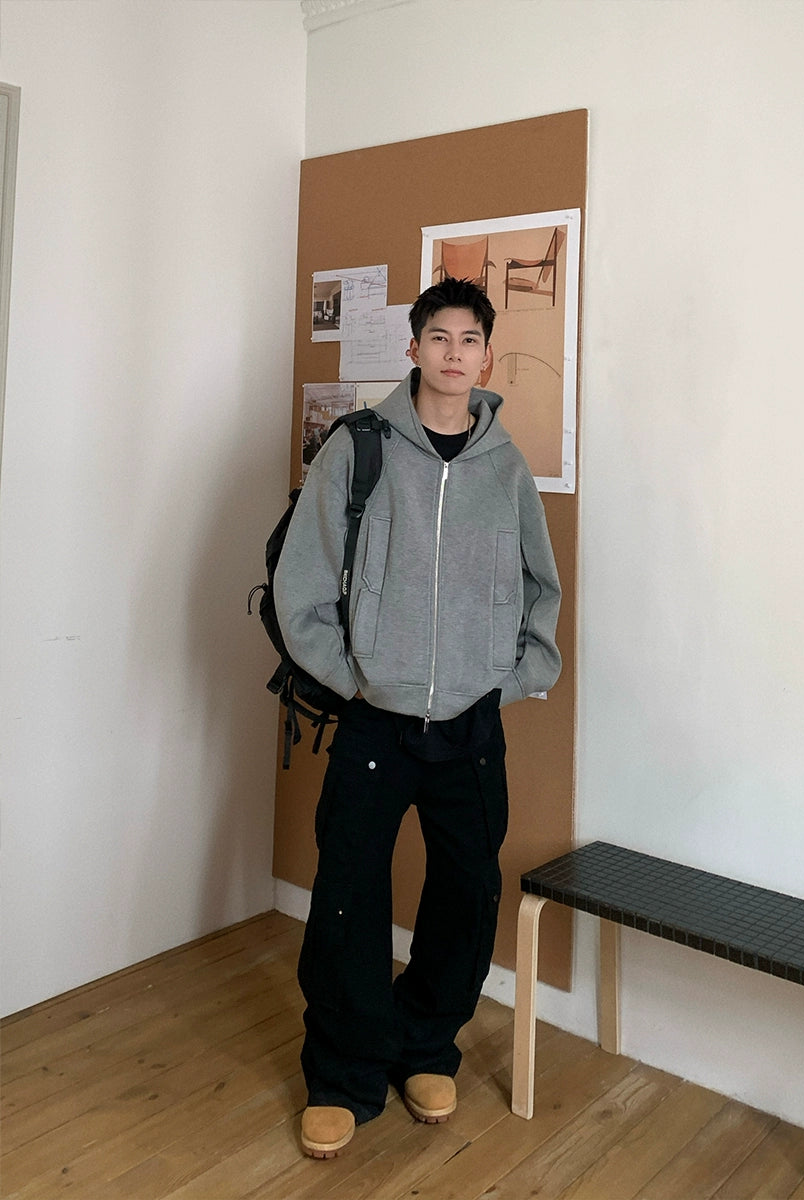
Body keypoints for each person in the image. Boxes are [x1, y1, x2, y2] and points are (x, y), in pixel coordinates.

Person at [273, 276, 562, 1158]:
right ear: (414, 348)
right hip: (376, 719)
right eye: (439, 337)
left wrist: (511, 678)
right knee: (349, 893)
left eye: (469, 339)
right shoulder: (359, 448)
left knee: (468, 893)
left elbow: (540, 587)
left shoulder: (505, 468)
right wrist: (353, 678)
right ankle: (344, 1073)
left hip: (471, 724)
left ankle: (426, 1045)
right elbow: (301, 584)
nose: (453, 352)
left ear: (485, 357)